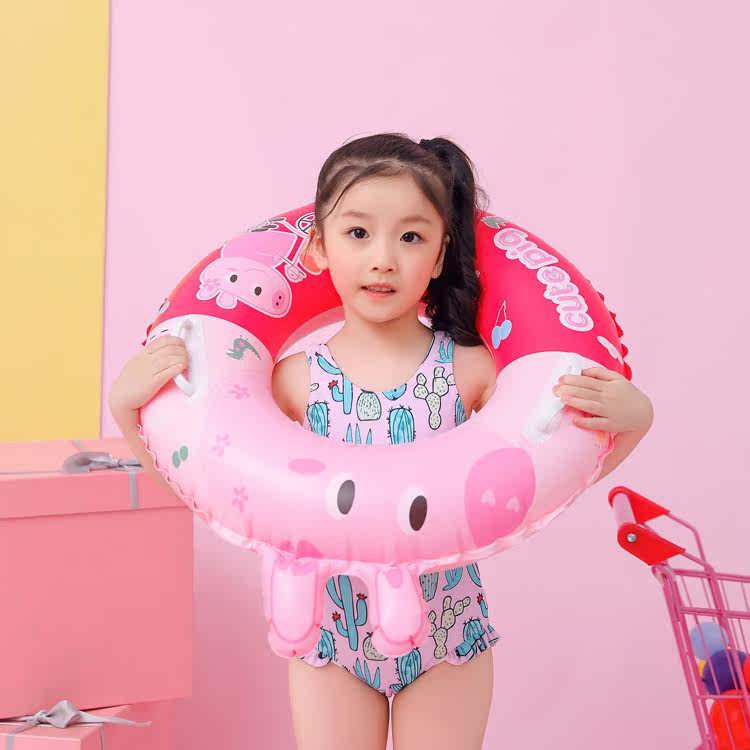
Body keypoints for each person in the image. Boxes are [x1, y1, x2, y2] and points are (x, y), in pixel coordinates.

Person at [109, 133, 654, 750]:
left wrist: (634, 421)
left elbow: (548, 474)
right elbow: (205, 486)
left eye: (411, 237)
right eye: (358, 233)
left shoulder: (471, 370)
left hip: (448, 637)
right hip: (327, 638)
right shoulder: (297, 380)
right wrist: (128, 410)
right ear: (318, 247)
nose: (383, 259)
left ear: (441, 254)